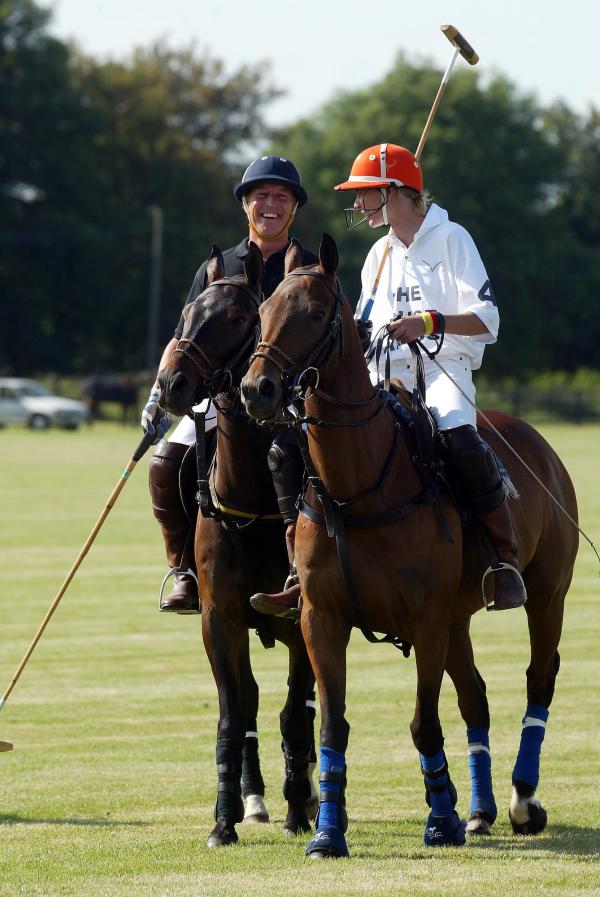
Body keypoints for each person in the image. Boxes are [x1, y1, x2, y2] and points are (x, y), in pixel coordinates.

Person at [252, 142, 526, 616]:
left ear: (395, 191)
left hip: (442, 373)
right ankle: (302, 571)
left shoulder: (452, 238)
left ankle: (504, 559)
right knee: (299, 445)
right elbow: (359, 325)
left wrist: (429, 322)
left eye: (366, 193)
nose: (357, 204)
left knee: (461, 440)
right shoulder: (378, 253)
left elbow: (489, 320)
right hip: (381, 377)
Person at [142, 156, 317, 613]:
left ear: (294, 206)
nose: (270, 205)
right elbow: (184, 337)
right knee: (165, 464)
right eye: (261, 195)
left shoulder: (310, 266)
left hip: (290, 403)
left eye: (282, 196)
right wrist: (158, 394)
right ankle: (182, 568)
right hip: (221, 401)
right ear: (245, 204)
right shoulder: (219, 265)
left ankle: (313, 570)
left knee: (312, 470)